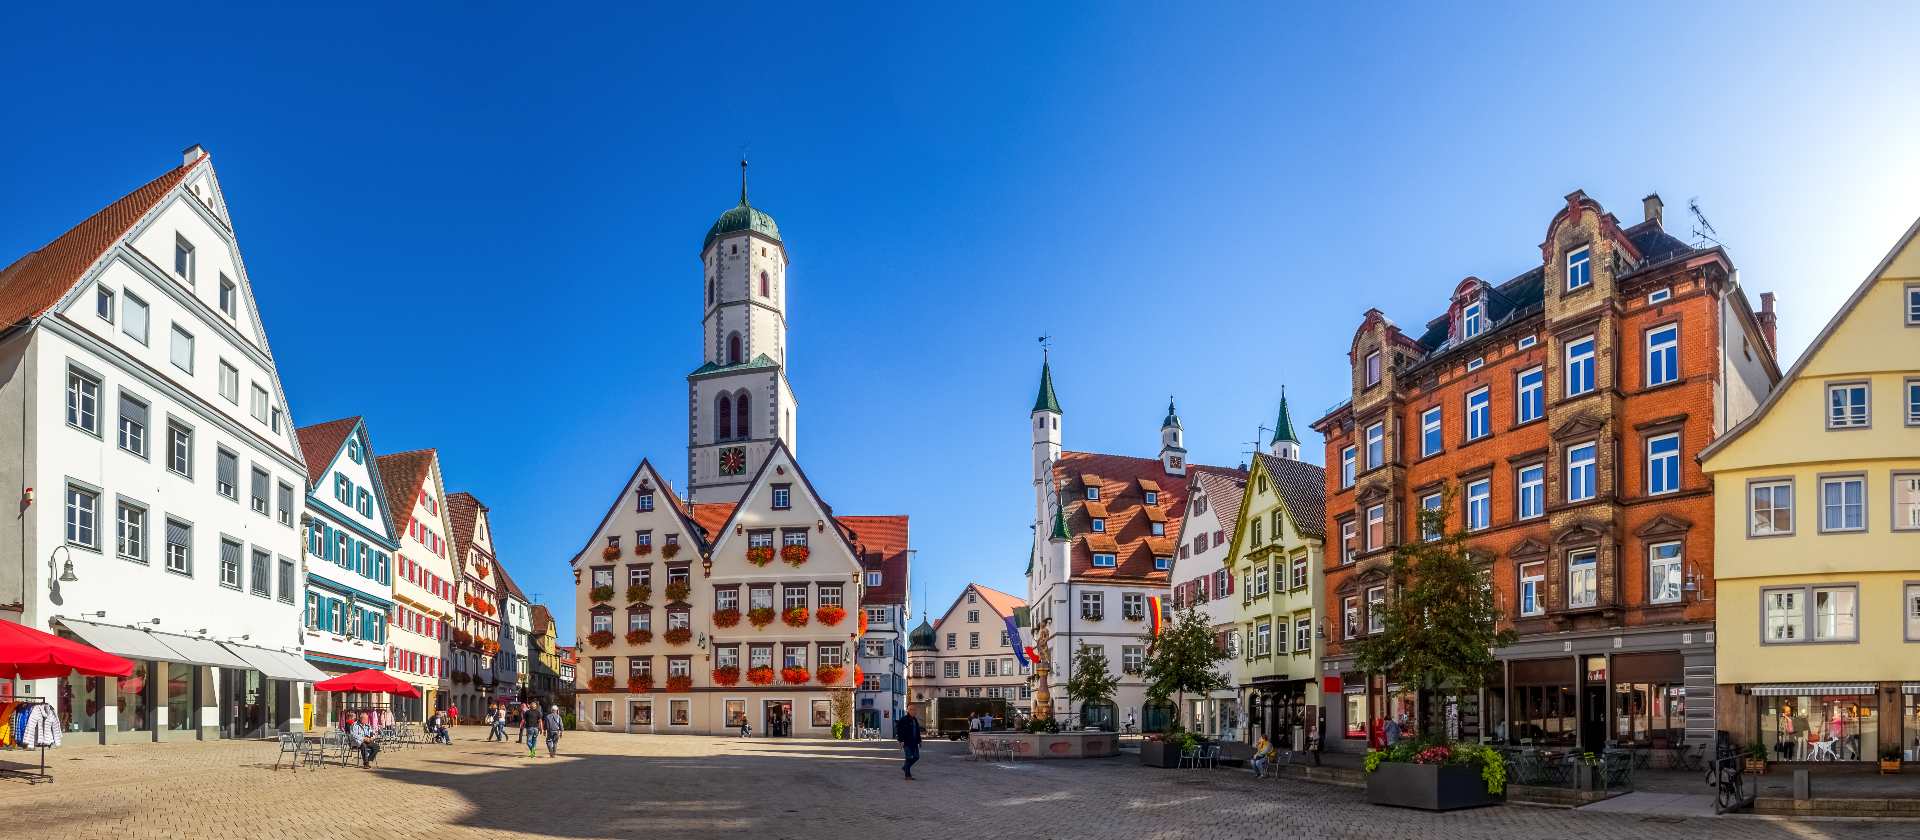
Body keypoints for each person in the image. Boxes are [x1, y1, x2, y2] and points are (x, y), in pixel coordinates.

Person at [896, 709, 924, 781]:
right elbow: (899, 730)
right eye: (912, 710)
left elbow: (917, 731)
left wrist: (919, 741)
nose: (914, 711)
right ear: (909, 711)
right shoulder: (904, 719)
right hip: (907, 742)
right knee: (909, 758)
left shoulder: (915, 720)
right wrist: (901, 740)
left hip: (914, 742)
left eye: (915, 710)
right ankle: (907, 775)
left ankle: (905, 767)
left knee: (916, 757)